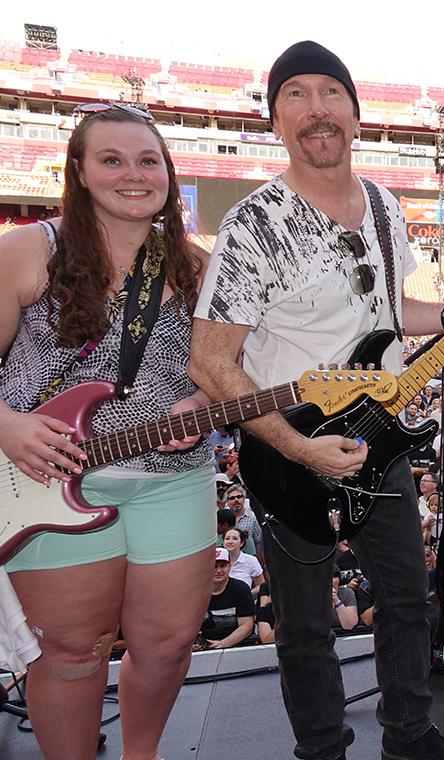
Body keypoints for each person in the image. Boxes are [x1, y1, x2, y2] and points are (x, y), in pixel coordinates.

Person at [187, 40, 444, 760]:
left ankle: (409, 736)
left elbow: (393, 316)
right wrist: (298, 445)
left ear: (357, 116)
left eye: (330, 92)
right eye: (295, 94)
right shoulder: (252, 224)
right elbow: (210, 361)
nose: (316, 109)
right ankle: (323, 750)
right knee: (304, 628)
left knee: (407, 601)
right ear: (275, 120)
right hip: (287, 452)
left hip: (380, 440)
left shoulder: (387, 208)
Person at [0, 103, 215, 760]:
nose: (133, 174)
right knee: (70, 654)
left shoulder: (197, 267)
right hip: (45, 483)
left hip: (172, 482)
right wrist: (6, 426)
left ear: (168, 174)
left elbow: (225, 371)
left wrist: (201, 400)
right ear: (81, 172)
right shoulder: (29, 251)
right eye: (112, 159)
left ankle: (139, 755)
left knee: (170, 643)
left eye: (148, 160)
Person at [201, 548, 256, 650]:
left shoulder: (241, 589)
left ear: (230, 566)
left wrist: (223, 643)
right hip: (203, 645)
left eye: (223, 566)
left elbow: (246, 626)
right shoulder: (195, 591)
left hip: (237, 645)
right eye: (214, 566)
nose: (219, 571)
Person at [222, 527, 264, 595]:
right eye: (227, 538)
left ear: (242, 543)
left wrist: (246, 595)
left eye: (235, 538)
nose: (230, 541)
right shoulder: (215, 560)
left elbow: (261, 585)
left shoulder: (251, 560)